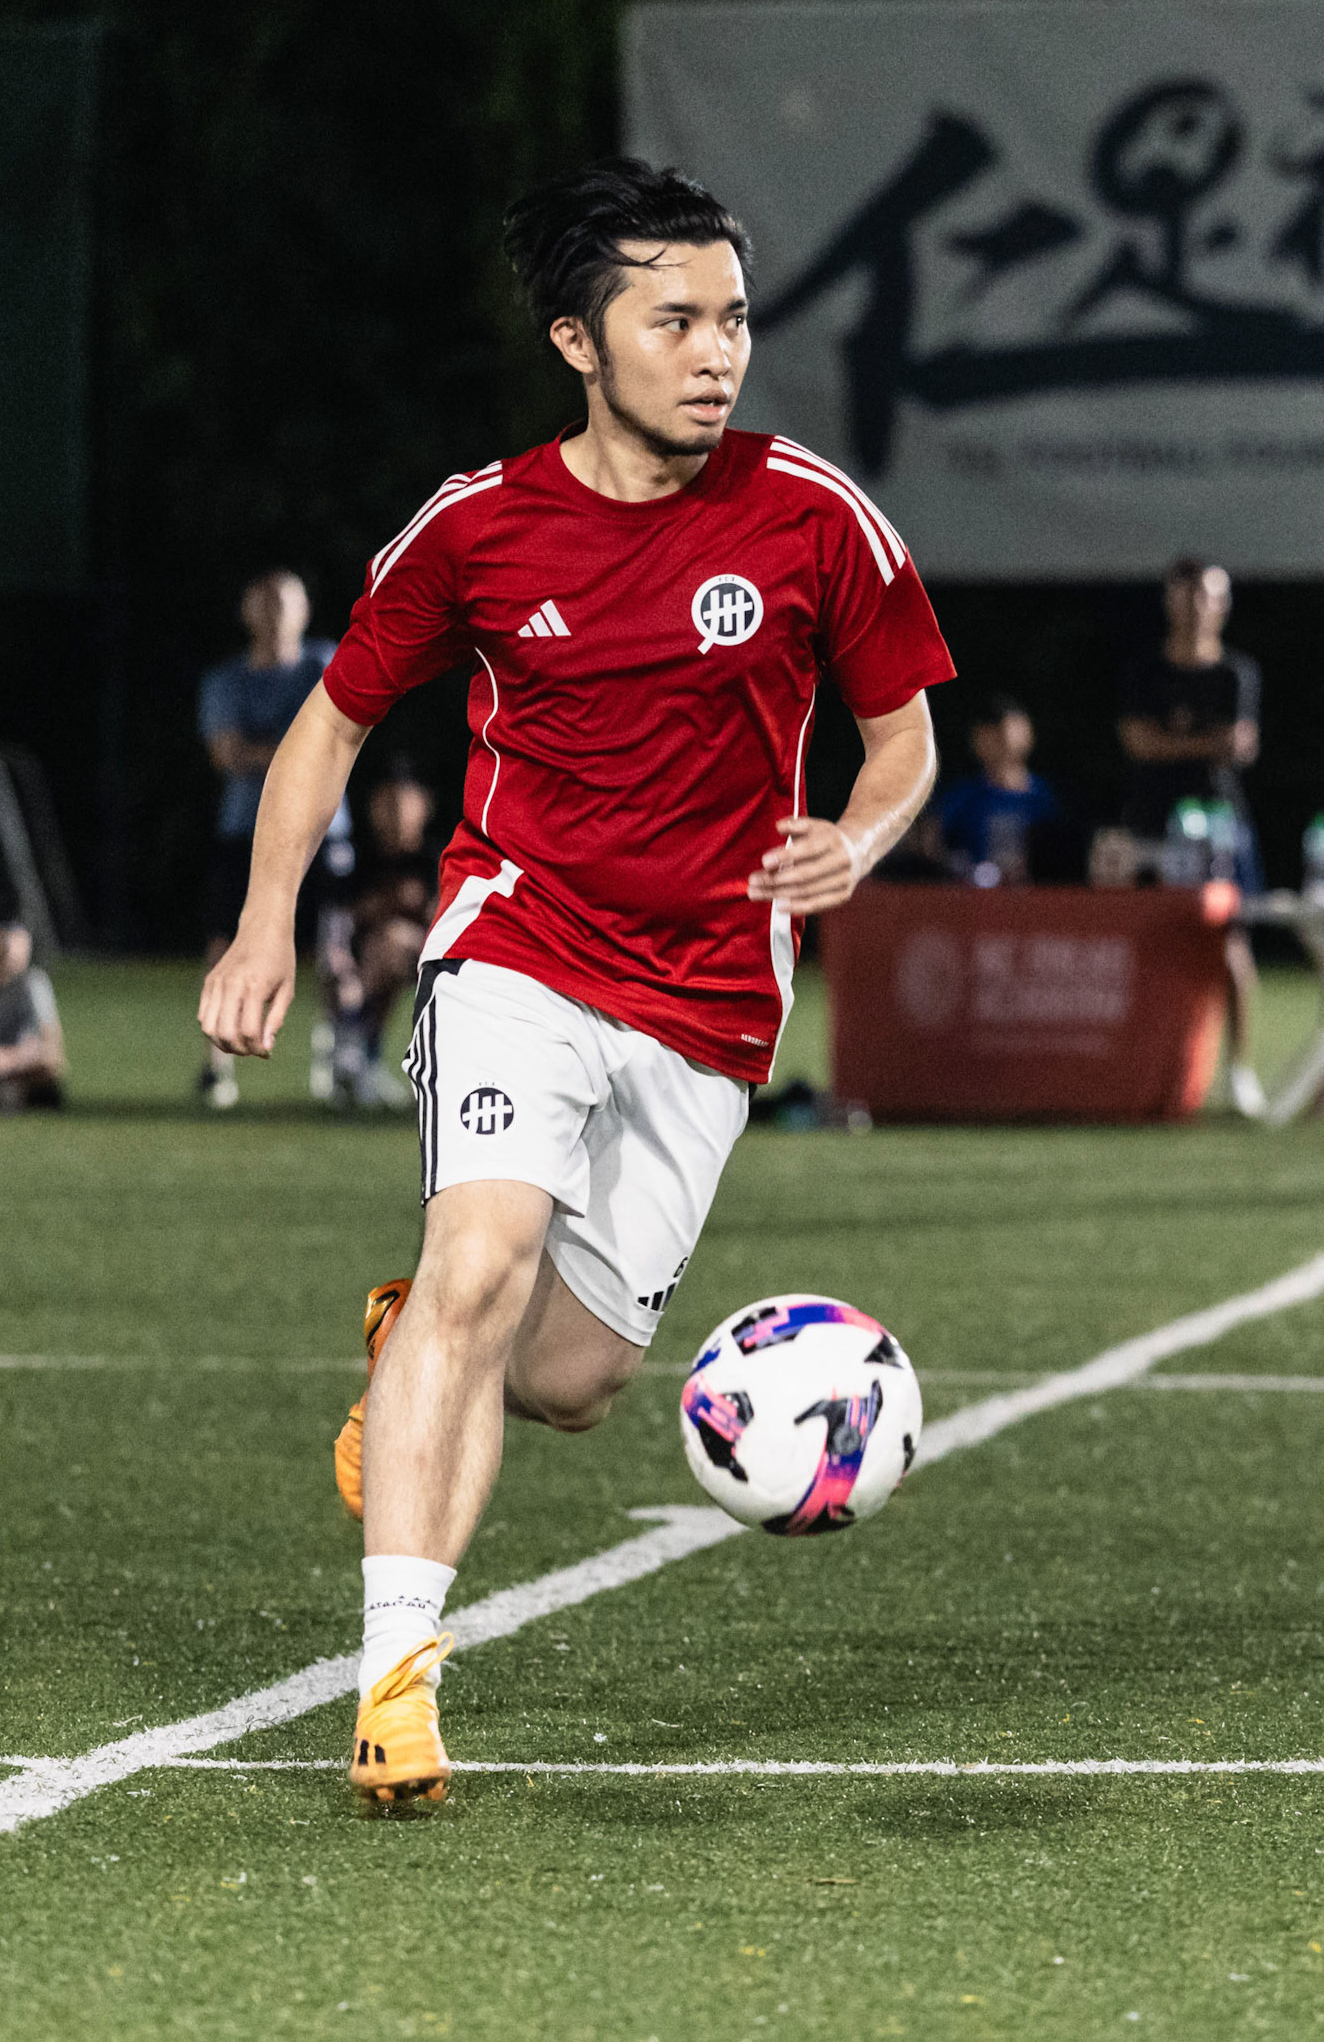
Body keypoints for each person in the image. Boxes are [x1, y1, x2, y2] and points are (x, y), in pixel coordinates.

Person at [199, 157, 955, 1806]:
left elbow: (905, 740)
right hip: (519, 943)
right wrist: (265, 921)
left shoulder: (817, 517)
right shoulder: (476, 528)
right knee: (482, 1258)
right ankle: (394, 1690)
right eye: (671, 316)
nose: (716, 350)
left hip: (709, 999)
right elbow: (332, 719)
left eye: (735, 316)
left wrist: (860, 837)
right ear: (576, 339)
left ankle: (422, 1350)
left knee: (566, 1375)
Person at [1118, 558, 1265, 1117]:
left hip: (1221, 824)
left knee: (1232, 949)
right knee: (1148, 944)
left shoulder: (1236, 674)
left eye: (1208, 595)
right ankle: (1143, 1072)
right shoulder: (1144, 671)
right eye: (1185, 595)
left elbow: (1240, 745)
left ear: (1222, 605)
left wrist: (1173, 740)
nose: (1197, 606)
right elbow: (1139, 743)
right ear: (1169, 601)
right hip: (1153, 823)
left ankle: (1239, 1071)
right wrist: (1206, 742)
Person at [197, 569, 350, 1108]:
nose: (276, 613)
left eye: (286, 602)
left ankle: (337, 1064)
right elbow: (229, 757)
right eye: (264, 602)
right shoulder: (223, 681)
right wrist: (300, 751)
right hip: (244, 830)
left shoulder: (325, 663)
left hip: (322, 833)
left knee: (333, 951)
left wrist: (275, 753)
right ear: (246, 610)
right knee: (225, 942)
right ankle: (217, 1065)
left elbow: (342, 740)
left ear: (305, 609)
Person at [313, 767, 438, 1109]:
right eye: (387, 803)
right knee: (369, 958)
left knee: (392, 942)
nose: (396, 812)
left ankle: (360, 1057)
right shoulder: (361, 860)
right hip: (363, 964)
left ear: (423, 807)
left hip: (428, 959)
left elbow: (442, 921)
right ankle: (359, 1060)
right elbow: (342, 919)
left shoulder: (432, 860)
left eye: (405, 802)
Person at [934, 694, 1059, 883]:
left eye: (1009, 727)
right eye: (989, 731)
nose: (1001, 736)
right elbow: (935, 848)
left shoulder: (1045, 798)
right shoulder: (962, 798)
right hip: (974, 901)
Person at [0, 917, 65, 1111]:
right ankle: (3, 1097)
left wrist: (6, 1060)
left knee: (45, 1069)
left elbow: (51, 1049)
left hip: (18, 1065)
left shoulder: (33, 983)